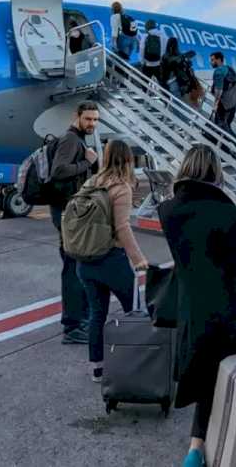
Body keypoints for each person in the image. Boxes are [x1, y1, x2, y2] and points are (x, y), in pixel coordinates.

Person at [158, 145, 236, 467]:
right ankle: (216, 446)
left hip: (190, 310)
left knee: (205, 376)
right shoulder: (229, 214)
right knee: (223, 379)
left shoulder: (168, 212)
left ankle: (196, 448)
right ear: (216, 172)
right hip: (227, 311)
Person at [74, 140, 148, 383]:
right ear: (128, 159)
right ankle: (136, 363)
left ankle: (97, 367)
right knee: (134, 312)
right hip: (111, 260)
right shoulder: (121, 187)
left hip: (85, 260)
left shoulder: (91, 182)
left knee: (97, 314)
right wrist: (139, 260)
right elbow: (123, 228)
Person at [49, 101, 99, 344]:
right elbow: (58, 171)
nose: (92, 124)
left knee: (77, 267)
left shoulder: (78, 139)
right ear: (77, 117)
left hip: (72, 212)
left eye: (95, 120)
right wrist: (87, 163)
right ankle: (73, 326)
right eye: (88, 119)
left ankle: (80, 319)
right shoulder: (70, 139)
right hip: (67, 213)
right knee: (72, 269)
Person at [210, 51, 236, 135]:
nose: (211, 62)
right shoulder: (230, 69)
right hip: (233, 104)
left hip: (223, 105)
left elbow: (218, 90)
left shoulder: (219, 71)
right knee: (226, 126)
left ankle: (234, 144)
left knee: (219, 128)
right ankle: (231, 144)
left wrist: (215, 104)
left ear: (218, 60)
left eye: (212, 60)